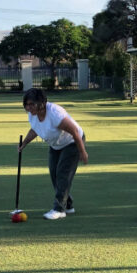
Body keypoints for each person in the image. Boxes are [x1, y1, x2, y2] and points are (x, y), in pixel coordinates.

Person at [19, 87, 89, 220]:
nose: (29, 107)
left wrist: (82, 151)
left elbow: (74, 131)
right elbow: (35, 129)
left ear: (41, 103)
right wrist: (24, 143)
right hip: (56, 144)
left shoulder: (55, 113)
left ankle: (59, 209)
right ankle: (68, 205)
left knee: (63, 173)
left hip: (72, 142)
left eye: (32, 104)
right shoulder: (32, 115)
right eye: (27, 104)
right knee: (54, 175)